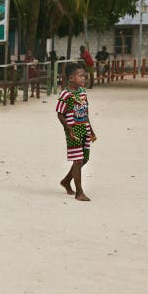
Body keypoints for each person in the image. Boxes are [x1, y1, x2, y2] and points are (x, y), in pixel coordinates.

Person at [56, 63, 98, 201]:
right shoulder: (65, 94)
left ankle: (66, 181)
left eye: (84, 76)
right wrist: (68, 128)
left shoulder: (82, 92)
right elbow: (60, 114)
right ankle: (79, 192)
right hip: (73, 131)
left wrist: (91, 130)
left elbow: (86, 113)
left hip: (84, 128)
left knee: (84, 158)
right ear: (71, 78)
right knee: (78, 159)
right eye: (81, 76)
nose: (84, 79)